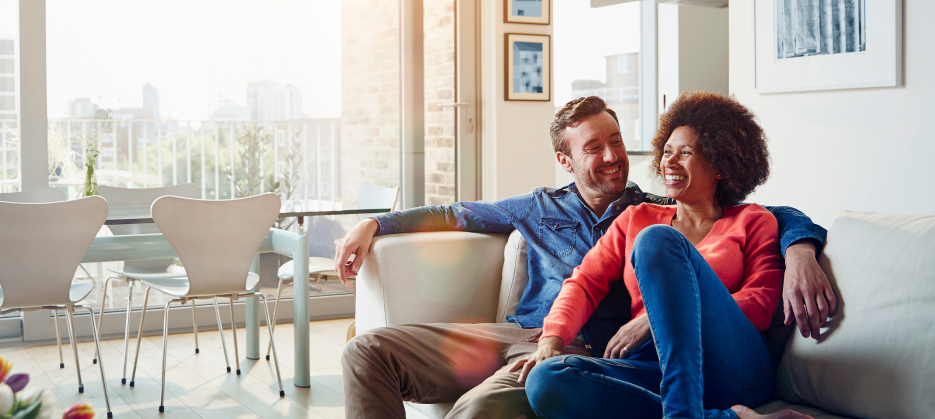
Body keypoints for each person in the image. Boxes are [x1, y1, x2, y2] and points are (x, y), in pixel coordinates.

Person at [337, 95, 835, 419]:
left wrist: (802, 247)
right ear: (566, 160)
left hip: (602, 346)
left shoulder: (657, 210)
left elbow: (772, 215)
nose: (613, 156)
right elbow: (459, 213)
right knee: (365, 351)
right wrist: (376, 222)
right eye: (594, 147)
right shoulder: (551, 209)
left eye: (616, 141)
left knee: (478, 411)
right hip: (527, 333)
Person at [517, 91, 809, 419]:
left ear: (720, 165)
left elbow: (758, 304)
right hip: (655, 368)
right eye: (667, 151)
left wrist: (654, 319)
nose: (668, 162)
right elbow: (584, 282)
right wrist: (552, 339)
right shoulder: (635, 218)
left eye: (684, 153)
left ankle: (683, 413)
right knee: (547, 380)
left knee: (656, 241)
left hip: (731, 368)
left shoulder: (753, 221)